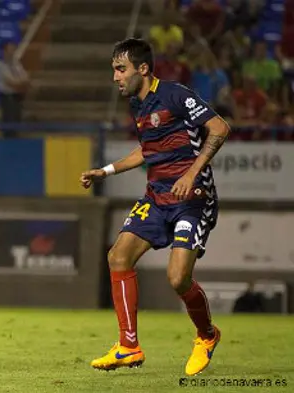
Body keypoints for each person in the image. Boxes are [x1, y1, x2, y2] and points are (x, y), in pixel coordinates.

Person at [80, 38, 231, 376]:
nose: (116, 77)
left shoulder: (176, 95)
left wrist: (192, 174)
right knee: (118, 256)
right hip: (157, 197)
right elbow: (146, 151)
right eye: (114, 71)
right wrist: (104, 171)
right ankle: (128, 347)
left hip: (192, 200)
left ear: (143, 69)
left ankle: (207, 336)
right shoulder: (138, 105)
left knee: (178, 279)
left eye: (121, 70)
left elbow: (220, 128)